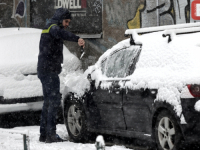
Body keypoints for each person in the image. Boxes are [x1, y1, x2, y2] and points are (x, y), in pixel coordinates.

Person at [37, 8, 85, 143]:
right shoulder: (53, 28)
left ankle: (44, 134)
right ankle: (50, 135)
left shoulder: (49, 27)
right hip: (49, 71)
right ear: (60, 19)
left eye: (68, 22)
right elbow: (60, 33)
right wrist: (77, 39)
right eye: (66, 21)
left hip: (45, 70)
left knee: (48, 102)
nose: (67, 24)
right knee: (53, 102)